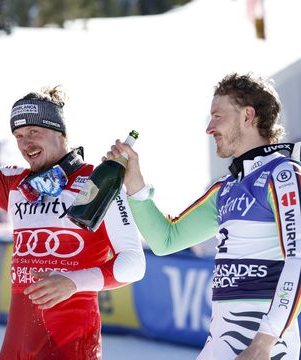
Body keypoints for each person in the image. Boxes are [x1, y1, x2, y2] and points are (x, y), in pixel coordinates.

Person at [0, 68, 146, 359]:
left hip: (70, 342)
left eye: (34, 132)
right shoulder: (17, 184)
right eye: (18, 135)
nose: (25, 144)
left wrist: (72, 282)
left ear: (59, 132)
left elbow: (134, 263)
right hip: (18, 343)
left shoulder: (98, 182)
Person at [108, 73, 301, 360]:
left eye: (217, 116)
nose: (209, 128)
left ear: (248, 116)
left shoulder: (282, 175)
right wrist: (133, 181)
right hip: (220, 344)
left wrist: (265, 342)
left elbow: (298, 260)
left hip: (265, 347)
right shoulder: (225, 188)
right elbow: (166, 240)